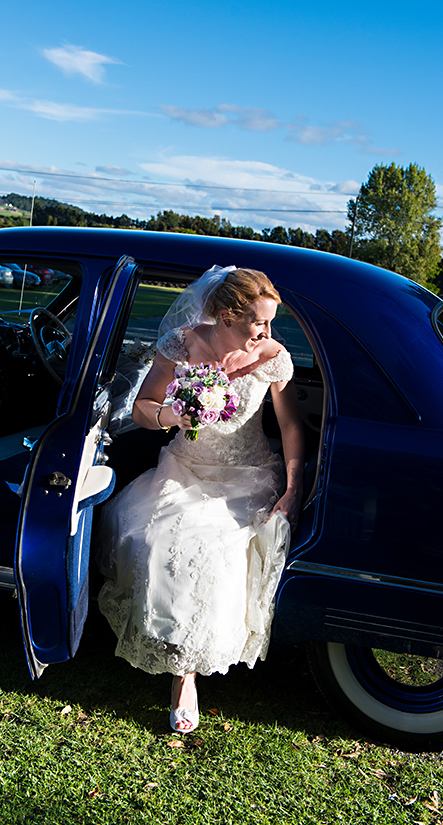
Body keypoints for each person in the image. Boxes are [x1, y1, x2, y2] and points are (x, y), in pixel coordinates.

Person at [96, 265, 304, 735]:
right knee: (150, 536)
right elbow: (142, 409)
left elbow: (290, 426)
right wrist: (174, 412)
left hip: (245, 477)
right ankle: (177, 659)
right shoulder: (182, 342)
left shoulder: (273, 357)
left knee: (210, 550)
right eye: (259, 322)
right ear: (227, 316)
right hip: (184, 468)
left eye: (271, 322)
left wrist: (293, 488)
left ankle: (184, 676)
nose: (266, 333)